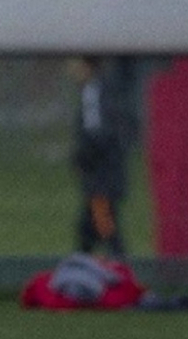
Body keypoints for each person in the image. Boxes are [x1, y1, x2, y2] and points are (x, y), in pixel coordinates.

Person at [67, 56, 129, 259]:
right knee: (88, 229)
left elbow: (97, 135)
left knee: (105, 228)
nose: (71, 69)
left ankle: (120, 267)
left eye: (75, 63)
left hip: (101, 178)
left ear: (86, 66)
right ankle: (80, 267)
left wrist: (82, 159)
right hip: (102, 176)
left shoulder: (93, 93)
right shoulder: (102, 89)